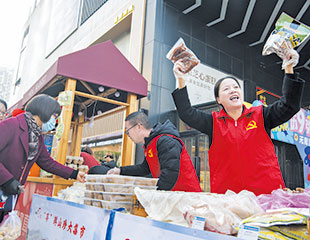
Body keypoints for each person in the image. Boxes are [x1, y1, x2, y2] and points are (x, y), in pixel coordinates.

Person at [172, 49, 305, 195]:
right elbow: (186, 113)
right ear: (218, 99)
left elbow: (289, 106)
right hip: (229, 199)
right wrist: (180, 78)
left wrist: (289, 68)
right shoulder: (213, 123)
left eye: (236, 87)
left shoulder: (261, 115)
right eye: (226, 89)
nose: (233, 90)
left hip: (266, 196)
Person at [0, 94, 85, 221]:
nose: (55, 121)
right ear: (44, 111)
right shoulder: (11, 125)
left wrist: (74, 173)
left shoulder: (37, 137)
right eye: (54, 116)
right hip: (5, 185)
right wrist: (7, 180)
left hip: (7, 196)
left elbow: (47, 163)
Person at [107, 111, 202, 192]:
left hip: (186, 196)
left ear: (138, 126)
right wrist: (120, 171)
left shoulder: (165, 141)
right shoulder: (150, 144)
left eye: (128, 131)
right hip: (172, 195)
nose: (128, 135)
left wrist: (154, 194)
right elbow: (144, 168)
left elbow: (170, 173)